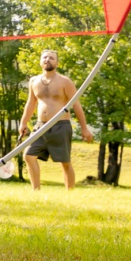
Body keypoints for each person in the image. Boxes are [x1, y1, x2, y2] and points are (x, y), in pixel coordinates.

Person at [17, 49, 95, 191]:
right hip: (40, 126)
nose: (48, 60)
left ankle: (70, 192)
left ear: (57, 63)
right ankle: (36, 191)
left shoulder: (65, 82)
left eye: (51, 58)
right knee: (28, 155)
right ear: (41, 61)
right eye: (45, 57)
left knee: (65, 162)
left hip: (61, 125)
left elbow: (76, 105)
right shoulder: (34, 81)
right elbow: (30, 104)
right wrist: (23, 123)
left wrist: (84, 128)